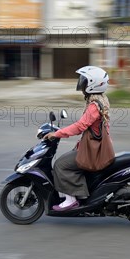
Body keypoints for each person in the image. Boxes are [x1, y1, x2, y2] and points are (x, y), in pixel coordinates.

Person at [43, 66, 112, 211]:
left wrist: (57, 133)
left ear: (93, 84)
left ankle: (71, 199)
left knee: (61, 165)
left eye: (84, 81)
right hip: (95, 146)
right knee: (69, 158)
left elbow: (80, 126)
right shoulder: (101, 100)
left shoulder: (94, 106)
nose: (81, 85)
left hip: (94, 151)